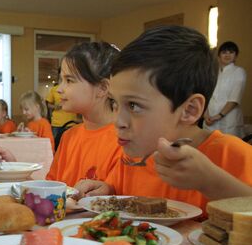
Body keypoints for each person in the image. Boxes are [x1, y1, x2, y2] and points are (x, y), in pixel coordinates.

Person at [76, 26, 252, 210]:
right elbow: (118, 189)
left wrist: (210, 182)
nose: (118, 122)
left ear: (189, 110)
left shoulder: (235, 156)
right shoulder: (133, 157)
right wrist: (108, 189)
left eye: (134, 105)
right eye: (114, 102)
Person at [0, 42, 121, 187]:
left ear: (102, 88)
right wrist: (13, 168)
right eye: (61, 80)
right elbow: (53, 194)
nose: (59, 89)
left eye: (69, 80)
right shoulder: (69, 137)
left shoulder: (125, 141)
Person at [203, 41, 247, 137]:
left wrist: (219, 116)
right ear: (218, 56)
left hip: (228, 120)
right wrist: (205, 115)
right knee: (209, 147)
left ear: (235, 56)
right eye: (224, 52)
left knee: (228, 148)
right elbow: (207, 95)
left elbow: (234, 98)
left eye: (231, 52)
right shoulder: (213, 73)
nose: (227, 55)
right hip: (209, 120)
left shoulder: (239, 71)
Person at [46, 80, 81, 149]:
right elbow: (48, 104)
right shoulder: (54, 89)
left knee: (70, 147)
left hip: (71, 122)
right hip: (56, 123)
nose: (59, 91)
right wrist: (55, 106)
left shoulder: (73, 89)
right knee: (55, 146)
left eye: (68, 79)